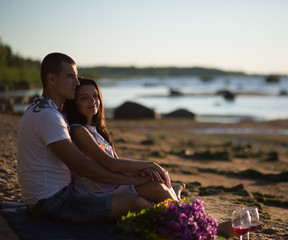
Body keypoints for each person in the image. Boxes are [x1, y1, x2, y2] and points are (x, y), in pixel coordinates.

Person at [17, 52, 177, 223]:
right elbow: (83, 166)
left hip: (46, 197)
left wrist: (135, 177)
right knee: (137, 203)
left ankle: (179, 213)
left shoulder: (40, 109)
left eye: (76, 77)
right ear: (51, 79)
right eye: (71, 76)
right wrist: (133, 179)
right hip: (52, 202)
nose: (76, 82)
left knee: (147, 197)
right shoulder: (49, 116)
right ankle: (183, 223)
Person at [62, 77, 184, 201]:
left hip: (112, 185)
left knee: (157, 182)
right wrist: (151, 164)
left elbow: (118, 163)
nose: (92, 101)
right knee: (159, 188)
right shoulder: (78, 131)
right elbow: (111, 164)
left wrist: (143, 171)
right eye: (84, 98)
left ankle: (175, 196)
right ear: (74, 103)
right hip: (96, 191)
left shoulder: (97, 131)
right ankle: (179, 203)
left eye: (95, 96)